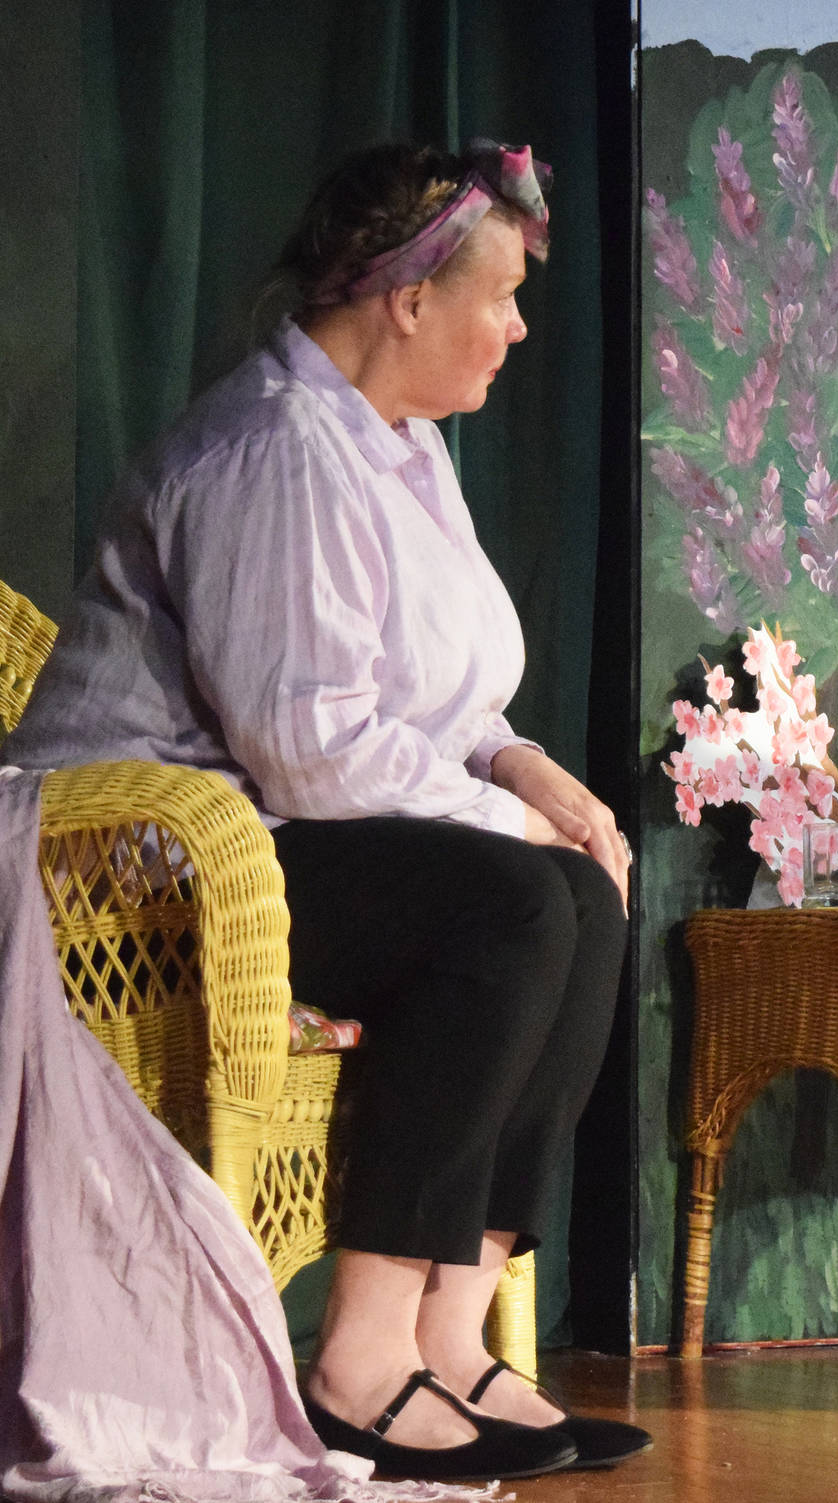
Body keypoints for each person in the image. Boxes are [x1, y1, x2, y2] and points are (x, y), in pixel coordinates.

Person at [6, 142, 650, 1477]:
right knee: (517, 900)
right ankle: (362, 1353)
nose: (521, 326)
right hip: (149, 869)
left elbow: (446, 704)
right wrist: (514, 832)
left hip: (286, 835)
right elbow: (311, 747)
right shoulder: (272, 447)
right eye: (501, 295)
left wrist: (540, 780)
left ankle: (455, 1334)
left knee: (579, 886)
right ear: (408, 298)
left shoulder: (409, 454)